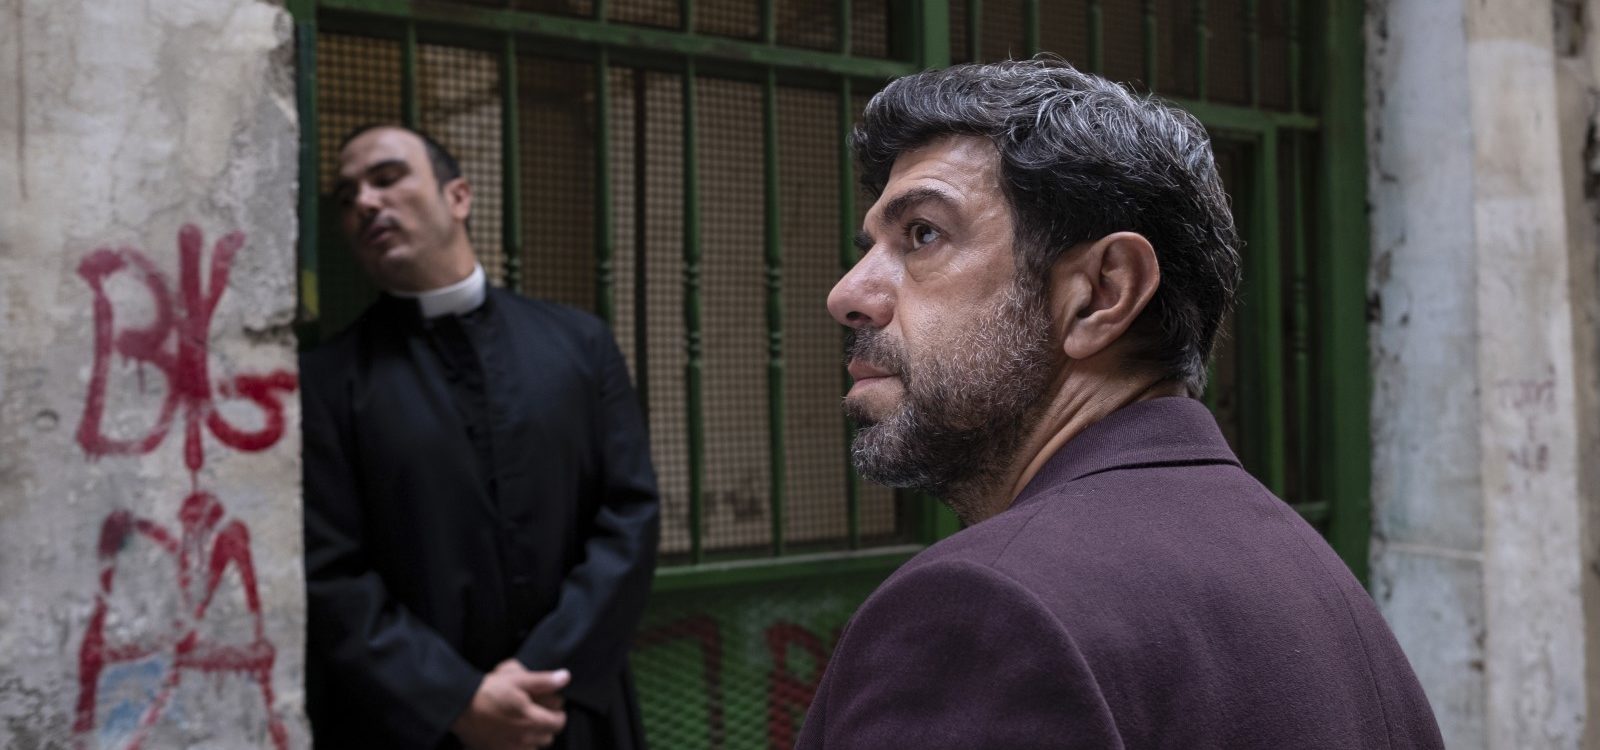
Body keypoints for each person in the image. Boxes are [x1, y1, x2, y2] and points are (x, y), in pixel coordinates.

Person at [797, 59, 1443, 749]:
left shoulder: (981, 612)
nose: (847, 293)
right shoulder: (1311, 574)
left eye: (923, 234)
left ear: (1103, 294)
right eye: (870, 247)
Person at [301, 123, 660, 750]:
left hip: (568, 707)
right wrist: (457, 699)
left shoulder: (579, 345)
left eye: (387, 178)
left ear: (459, 196)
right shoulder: (328, 381)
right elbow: (330, 570)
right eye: (347, 195)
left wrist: (542, 673)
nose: (364, 202)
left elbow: (630, 515)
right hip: (417, 724)